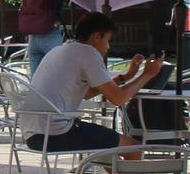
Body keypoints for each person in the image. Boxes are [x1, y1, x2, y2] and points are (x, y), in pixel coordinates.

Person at [22, 12, 164, 154]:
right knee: (134, 148)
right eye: (107, 40)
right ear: (96, 36)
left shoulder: (60, 49)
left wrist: (125, 77)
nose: (108, 46)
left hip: (33, 133)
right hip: (56, 132)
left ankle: (113, 169)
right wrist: (148, 74)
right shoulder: (88, 52)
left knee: (108, 148)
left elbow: (88, 93)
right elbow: (118, 99)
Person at [18, 0, 64, 72]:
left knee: (36, 78)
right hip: (50, 33)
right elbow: (57, 5)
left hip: (33, 36)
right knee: (59, 74)